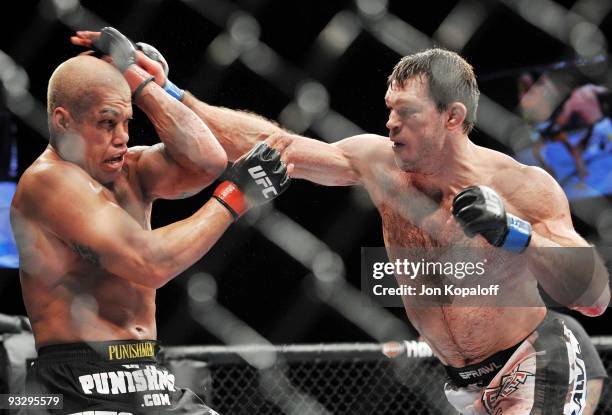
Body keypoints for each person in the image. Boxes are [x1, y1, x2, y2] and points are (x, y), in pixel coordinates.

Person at [72, 31, 610, 414]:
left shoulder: (521, 184)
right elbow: (278, 146)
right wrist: (164, 92)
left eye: (408, 113)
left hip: (538, 359)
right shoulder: (379, 163)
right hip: (463, 383)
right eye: (389, 109)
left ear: (453, 118)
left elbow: (593, 296)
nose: (391, 123)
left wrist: (513, 233)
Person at [11, 28, 289, 414]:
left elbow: (207, 161)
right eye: (107, 123)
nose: (123, 138)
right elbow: (149, 262)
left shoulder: (130, 170)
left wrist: (142, 83)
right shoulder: (48, 182)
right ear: (63, 122)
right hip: (80, 386)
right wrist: (234, 196)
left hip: (150, 375)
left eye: (128, 122)